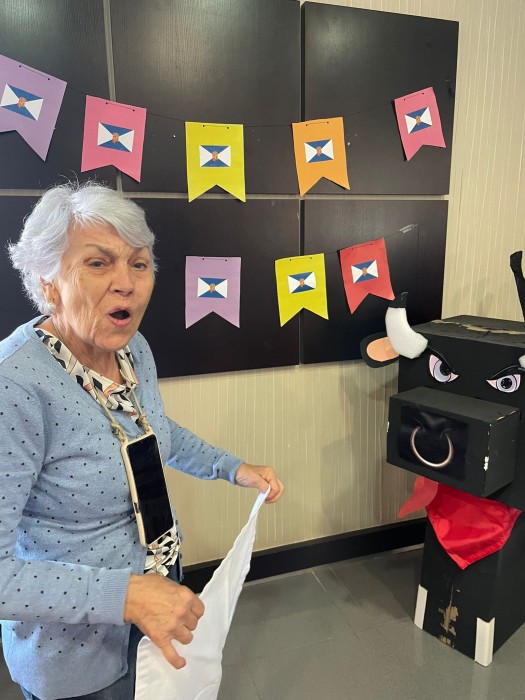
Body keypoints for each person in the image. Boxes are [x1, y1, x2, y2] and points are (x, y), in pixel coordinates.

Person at [0, 182, 284, 700]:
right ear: (49, 283)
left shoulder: (134, 350)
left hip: (159, 599)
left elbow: (153, 433)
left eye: (139, 263)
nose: (126, 283)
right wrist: (126, 596)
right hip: (76, 653)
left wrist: (233, 468)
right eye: (99, 263)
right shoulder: (13, 385)